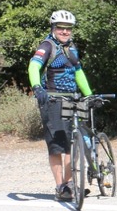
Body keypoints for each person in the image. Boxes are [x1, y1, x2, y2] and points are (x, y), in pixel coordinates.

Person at [28, 10, 94, 201]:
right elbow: (34, 66)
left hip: (72, 99)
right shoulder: (47, 46)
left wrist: (89, 95)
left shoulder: (72, 49)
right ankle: (61, 187)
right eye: (61, 28)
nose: (65, 32)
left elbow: (78, 72)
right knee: (58, 145)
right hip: (52, 100)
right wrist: (37, 87)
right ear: (53, 28)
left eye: (68, 29)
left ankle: (71, 184)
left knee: (72, 141)